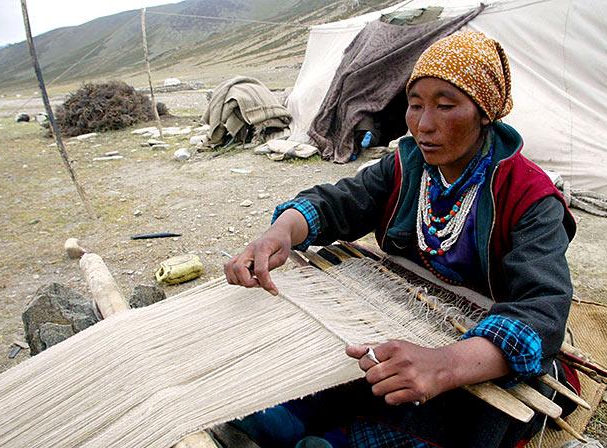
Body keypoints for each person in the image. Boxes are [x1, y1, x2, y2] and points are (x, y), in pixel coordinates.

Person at [224, 30, 578, 448]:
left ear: (485, 113)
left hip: (479, 349)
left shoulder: (529, 196)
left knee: (455, 412)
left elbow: (543, 308)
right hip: (403, 315)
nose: (424, 125)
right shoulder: (407, 167)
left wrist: (445, 364)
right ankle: (302, 420)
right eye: (414, 105)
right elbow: (339, 202)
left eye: (446, 106)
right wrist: (281, 231)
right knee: (332, 371)